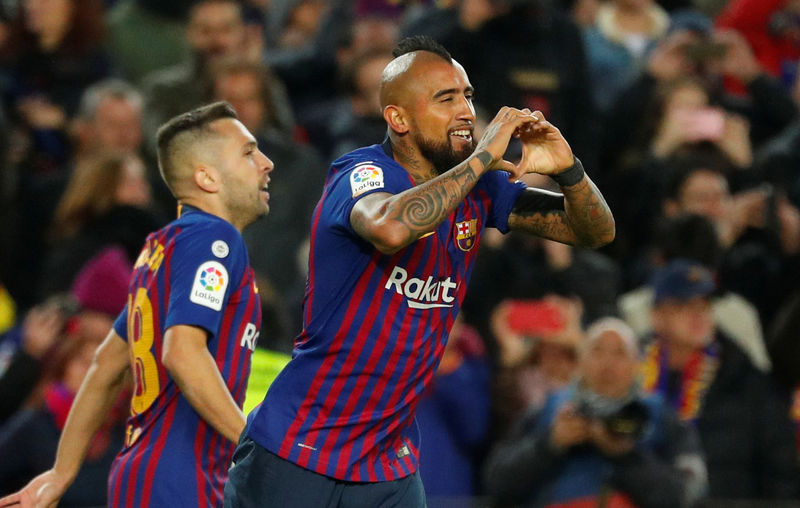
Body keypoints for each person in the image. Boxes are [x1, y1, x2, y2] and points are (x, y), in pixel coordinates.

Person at [224, 35, 614, 507]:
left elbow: (594, 232)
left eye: (467, 96)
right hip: (302, 446)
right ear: (398, 118)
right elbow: (390, 227)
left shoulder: (479, 190)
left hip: (389, 460)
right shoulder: (361, 173)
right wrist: (484, 156)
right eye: (445, 99)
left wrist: (569, 170)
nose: (465, 110)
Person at [0, 101, 274, 508]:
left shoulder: (165, 248)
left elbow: (106, 365)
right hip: (182, 480)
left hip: (145, 475)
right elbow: (182, 352)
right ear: (207, 177)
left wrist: (62, 471)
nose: (266, 163)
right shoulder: (214, 241)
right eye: (249, 152)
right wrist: (259, 447)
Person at [483, 317, 707, 508]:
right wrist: (550, 445)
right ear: (580, 361)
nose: (607, 364)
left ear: (636, 364)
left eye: (620, 353)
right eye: (597, 351)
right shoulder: (550, 411)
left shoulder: (659, 416)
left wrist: (625, 456)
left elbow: (689, 494)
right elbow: (496, 483)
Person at [644, 259, 799, 499]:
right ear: (657, 316)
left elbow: (779, 465)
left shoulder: (745, 378)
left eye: (704, 305)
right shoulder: (629, 369)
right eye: (684, 305)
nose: (698, 315)